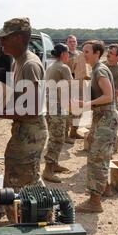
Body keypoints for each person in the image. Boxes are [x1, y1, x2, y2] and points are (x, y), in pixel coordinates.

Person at [0, 17, 48, 208]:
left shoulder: (29, 65)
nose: (1, 42)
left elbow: (32, 108)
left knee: (22, 182)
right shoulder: (17, 62)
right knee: (24, 178)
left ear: (18, 38)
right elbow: (17, 99)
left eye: (5, 38)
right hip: (23, 129)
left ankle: (30, 224)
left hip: (31, 131)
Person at [73, 40, 118, 213]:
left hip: (106, 118)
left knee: (96, 158)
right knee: (100, 154)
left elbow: (108, 96)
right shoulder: (97, 69)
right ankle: (105, 188)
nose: (83, 54)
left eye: (87, 51)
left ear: (97, 53)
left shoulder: (99, 70)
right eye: (83, 51)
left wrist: (85, 104)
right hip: (102, 118)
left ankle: (94, 201)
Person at [42, 44, 73, 183]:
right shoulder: (63, 67)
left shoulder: (51, 66)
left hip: (51, 105)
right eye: (68, 53)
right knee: (57, 138)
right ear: (62, 54)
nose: (69, 56)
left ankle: (53, 164)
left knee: (55, 136)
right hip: (58, 106)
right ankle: (48, 170)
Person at [65, 35, 84, 142]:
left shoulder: (80, 54)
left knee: (79, 109)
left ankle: (74, 131)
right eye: (70, 41)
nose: (73, 43)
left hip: (79, 84)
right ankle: (65, 133)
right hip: (68, 85)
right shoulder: (64, 54)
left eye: (74, 41)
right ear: (67, 43)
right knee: (68, 109)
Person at [105, 44, 118, 113]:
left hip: (110, 106)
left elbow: (117, 92)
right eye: (108, 52)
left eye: (111, 53)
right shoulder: (101, 65)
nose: (107, 55)